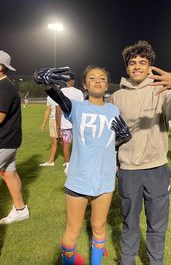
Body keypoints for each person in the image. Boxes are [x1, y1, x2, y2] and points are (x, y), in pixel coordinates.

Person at [33, 65, 131, 265]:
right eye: (92, 78)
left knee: (99, 227)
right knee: (73, 229)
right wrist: (45, 84)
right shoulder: (76, 107)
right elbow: (59, 98)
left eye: (102, 78)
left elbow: (111, 142)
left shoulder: (113, 109)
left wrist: (123, 138)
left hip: (104, 179)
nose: (97, 81)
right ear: (85, 84)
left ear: (106, 85)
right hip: (79, 179)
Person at [112, 40, 171, 265]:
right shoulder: (117, 97)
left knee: (157, 225)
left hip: (157, 169)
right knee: (129, 223)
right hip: (128, 170)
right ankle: (126, 261)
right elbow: (111, 135)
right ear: (127, 68)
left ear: (150, 67)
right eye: (132, 63)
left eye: (142, 62)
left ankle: (156, 262)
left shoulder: (163, 91)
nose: (137, 66)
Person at [0, 50, 29, 224]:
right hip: (9, 140)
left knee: (8, 173)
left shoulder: (4, 87)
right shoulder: (5, 85)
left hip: (3, 141)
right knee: (8, 174)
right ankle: (20, 210)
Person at [55, 72, 84, 175]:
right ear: (73, 80)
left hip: (65, 122)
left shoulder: (61, 91)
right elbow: (81, 109)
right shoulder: (79, 92)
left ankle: (67, 165)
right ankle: (78, 164)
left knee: (66, 144)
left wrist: (58, 126)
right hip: (76, 123)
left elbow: (58, 110)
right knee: (78, 144)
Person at [39, 95, 58, 166]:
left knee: (65, 142)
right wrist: (43, 123)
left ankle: (68, 162)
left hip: (63, 120)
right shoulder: (49, 97)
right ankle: (51, 161)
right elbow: (48, 110)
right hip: (52, 120)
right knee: (53, 141)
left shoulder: (64, 93)